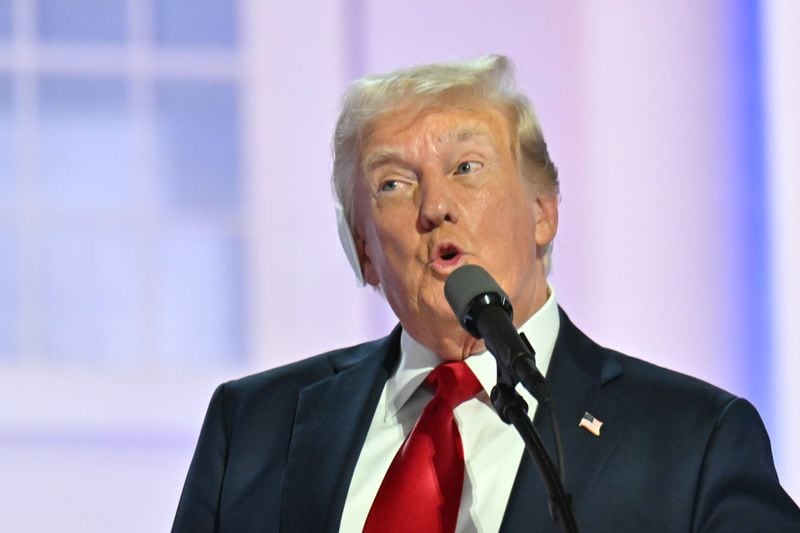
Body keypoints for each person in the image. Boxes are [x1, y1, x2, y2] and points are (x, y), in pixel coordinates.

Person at [172, 55, 800, 532]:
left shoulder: (693, 442)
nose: (436, 207)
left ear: (543, 211)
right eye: (393, 183)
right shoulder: (254, 427)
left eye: (467, 168)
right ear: (364, 251)